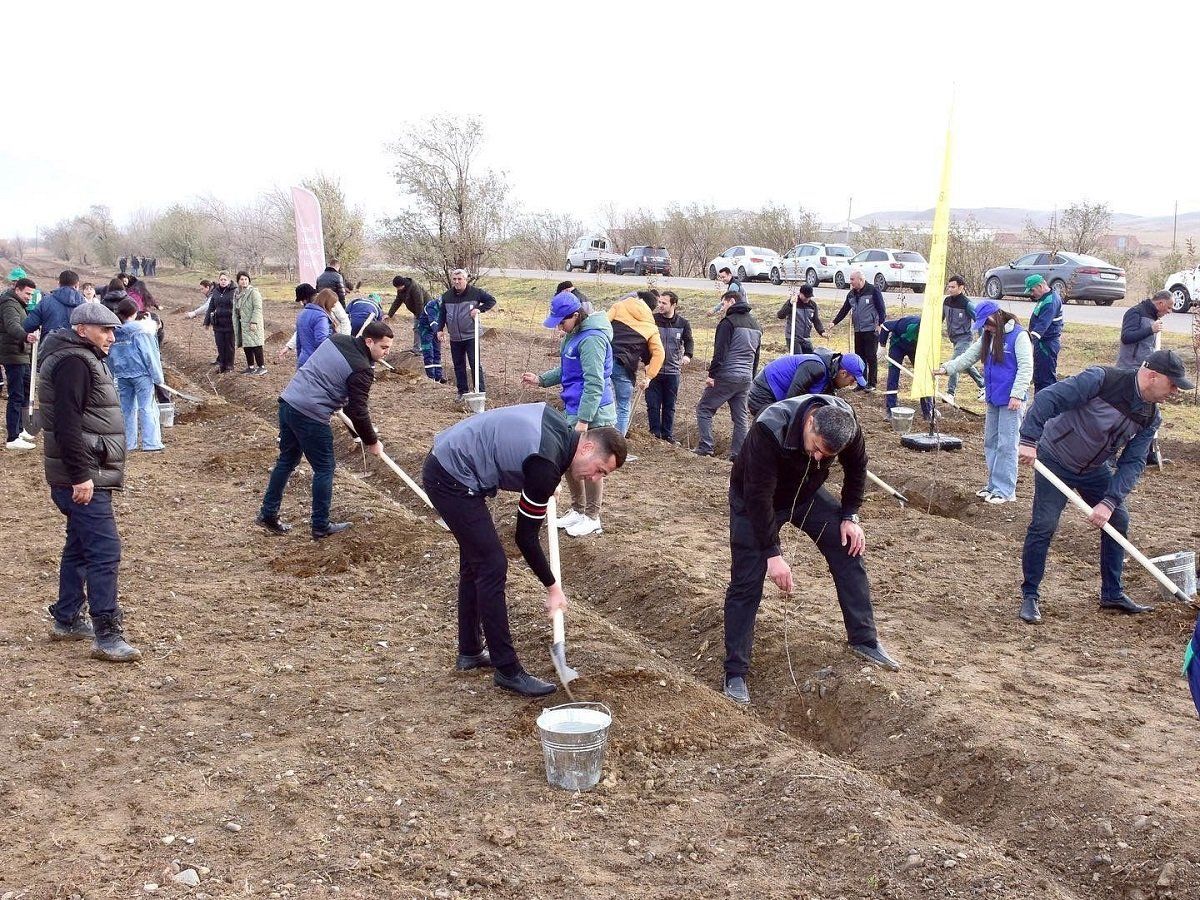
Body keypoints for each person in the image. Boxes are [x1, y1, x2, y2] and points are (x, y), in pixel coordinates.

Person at [421, 403, 627, 697]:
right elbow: (525, 538)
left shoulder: (559, 435)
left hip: (450, 461)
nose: (595, 478)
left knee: (476, 561)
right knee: (492, 565)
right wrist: (553, 587)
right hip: (450, 476)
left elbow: (528, 458)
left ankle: (470, 651)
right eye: (600, 470)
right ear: (587, 447)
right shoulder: (545, 465)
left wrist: (545, 482)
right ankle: (507, 670)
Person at [722, 394, 900, 704]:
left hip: (804, 495)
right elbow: (758, 495)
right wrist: (773, 555)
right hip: (755, 502)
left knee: (848, 547)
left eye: (826, 455)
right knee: (746, 583)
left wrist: (849, 516)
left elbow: (857, 468)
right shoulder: (769, 429)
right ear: (809, 422)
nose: (818, 458)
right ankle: (735, 672)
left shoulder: (847, 425)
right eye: (815, 448)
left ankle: (864, 639)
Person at [1015, 349, 1191, 625]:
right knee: (1044, 524)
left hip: (1094, 469)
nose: (1175, 392)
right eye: (1173, 384)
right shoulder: (1102, 380)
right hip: (1054, 458)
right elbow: (1050, 398)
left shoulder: (1149, 417)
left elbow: (1132, 464)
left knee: (1118, 519)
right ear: (1153, 376)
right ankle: (1030, 595)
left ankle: (1112, 593)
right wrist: (1028, 439)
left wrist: (1109, 502)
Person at [38, 303, 141, 662]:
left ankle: (67, 618)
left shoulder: (78, 357)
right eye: (105, 330)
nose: (112, 337)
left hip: (81, 475)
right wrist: (81, 475)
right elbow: (66, 425)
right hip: (81, 478)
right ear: (83, 329)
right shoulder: (74, 363)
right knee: (104, 551)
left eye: (113, 331)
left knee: (80, 547)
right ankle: (107, 634)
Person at [257, 321, 395, 539]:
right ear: (369, 342)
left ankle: (267, 513)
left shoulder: (337, 339)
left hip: (289, 402)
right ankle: (320, 525)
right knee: (325, 468)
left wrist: (358, 434)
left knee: (287, 460)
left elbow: (339, 390)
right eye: (384, 347)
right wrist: (371, 441)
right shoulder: (362, 369)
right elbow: (357, 411)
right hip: (311, 414)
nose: (387, 353)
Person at [523, 290, 616, 537]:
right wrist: (541, 380)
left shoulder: (592, 339)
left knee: (590, 464)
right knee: (569, 461)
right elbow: (567, 369)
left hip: (593, 413)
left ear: (576, 315)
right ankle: (577, 510)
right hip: (574, 409)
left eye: (562, 322)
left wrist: (584, 420)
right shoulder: (573, 336)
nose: (560, 328)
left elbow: (594, 382)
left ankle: (592, 517)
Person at [936, 300, 1032, 505]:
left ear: (996, 317)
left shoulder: (1019, 336)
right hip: (993, 398)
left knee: (1007, 445)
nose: (985, 328)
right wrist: (946, 368)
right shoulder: (987, 337)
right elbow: (968, 357)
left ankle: (1006, 490)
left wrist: (1017, 394)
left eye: (987, 323)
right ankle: (993, 485)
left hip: (1011, 400)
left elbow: (1026, 368)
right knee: (991, 442)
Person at [696, 291, 762, 459]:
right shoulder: (756, 325)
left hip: (727, 374)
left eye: (723, 304)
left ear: (731, 301)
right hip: (746, 377)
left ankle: (706, 447)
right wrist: (751, 377)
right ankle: (738, 454)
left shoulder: (728, 322)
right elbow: (756, 356)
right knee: (740, 417)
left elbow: (720, 352)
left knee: (704, 408)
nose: (722, 308)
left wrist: (712, 375)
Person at [108, 299, 165, 452]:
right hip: (141, 375)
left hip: (122, 376)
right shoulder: (141, 331)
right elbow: (150, 355)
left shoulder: (114, 333)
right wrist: (158, 377)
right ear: (134, 313)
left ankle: (129, 443)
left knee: (126, 409)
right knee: (147, 407)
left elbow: (110, 356)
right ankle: (151, 443)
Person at [607, 290, 665, 435]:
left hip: (604, 360)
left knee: (603, 402)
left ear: (638, 298)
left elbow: (602, 326)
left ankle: (597, 438)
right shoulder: (651, 327)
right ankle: (617, 445)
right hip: (625, 367)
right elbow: (660, 353)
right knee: (623, 406)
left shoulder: (619, 306)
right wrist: (649, 377)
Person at [747, 350, 868, 417]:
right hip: (764, 392)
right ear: (843, 373)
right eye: (853, 380)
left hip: (777, 395)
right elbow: (792, 400)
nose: (852, 384)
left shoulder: (829, 375)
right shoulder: (816, 367)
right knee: (776, 429)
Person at [439, 269, 496, 400]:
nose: (457, 282)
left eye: (460, 279)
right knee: (458, 365)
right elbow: (442, 313)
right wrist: (440, 329)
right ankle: (462, 392)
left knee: (475, 364)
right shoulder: (447, 296)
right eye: (454, 279)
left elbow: (491, 300)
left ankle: (480, 392)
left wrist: (479, 309)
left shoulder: (476, 293)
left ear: (465, 279)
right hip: (455, 337)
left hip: (471, 335)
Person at [647, 290, 693, 442]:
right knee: (653, 404)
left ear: (674, 304)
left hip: (673, 371)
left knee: (669, 406)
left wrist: (687, 355)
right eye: (659, 302)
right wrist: (647, 362)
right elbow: (644, 341)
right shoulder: (652, 320)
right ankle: (654, 434)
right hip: (654, 371)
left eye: (664, 303)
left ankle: (667, 435)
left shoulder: (683, 323)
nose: (660, 305)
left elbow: (689, 341)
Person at [831, 270, 887, 389]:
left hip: (871, 329)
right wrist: (834, 322)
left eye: (852, 279)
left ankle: (872, 384)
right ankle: (862, 383)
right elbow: (844, 310)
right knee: (860, 357)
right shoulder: (851, 294)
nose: (850, 282)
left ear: (860, 279)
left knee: (871, 357)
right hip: (858, 330)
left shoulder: (873, 291)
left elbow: (881, 309)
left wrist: (880, 324)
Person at [2, 278, 39, 450]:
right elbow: (12, 326)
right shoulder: (9, 304)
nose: (30, 298)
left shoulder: (18, 304)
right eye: (27, 294)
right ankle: (12, 437)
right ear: (17, 290)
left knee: (25, 390)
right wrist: (26, 336)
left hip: (21, 354)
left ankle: (21, 428)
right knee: (16, 394)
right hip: (13, 355)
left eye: (32, 295)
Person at [878, 314, 933, 420]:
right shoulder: (906, 325)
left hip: (915, 349)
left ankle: (928, 411)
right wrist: (882, 345)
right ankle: (891, 409)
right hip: (897, 345)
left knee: (923, 376)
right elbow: (885, 326)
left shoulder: (930, 335)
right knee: (893, 375)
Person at [942, 275, 983, 397]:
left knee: (954, 362)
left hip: (965, 338)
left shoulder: (967, 304)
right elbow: (940, 317)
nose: (950, 289)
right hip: (953, 338)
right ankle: (983, 385)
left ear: (961, 287)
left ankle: (950, 393)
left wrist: (982, 338)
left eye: (953, 287)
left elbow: (980, 320)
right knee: (965, 363)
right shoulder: (946, 301)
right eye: (948, 287)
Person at [1026, 274, 1063, 392]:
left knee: (1046, 380)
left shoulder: (1050, 302)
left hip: (1046, 345)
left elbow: (1041, 327)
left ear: (1040, 286)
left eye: (1032, 290)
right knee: (1038, 377)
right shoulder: (1044, 298)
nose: (1032, 294)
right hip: (1041, 344)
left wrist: (1027, 343)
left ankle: (1047, 408)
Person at [1117, 290, 1172, 368]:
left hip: (1145, 368)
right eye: (1169, 308)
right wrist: (1150, 330)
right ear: (1161, 303)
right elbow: (1126, 337)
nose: (1170, 311)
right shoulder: (1135, 312)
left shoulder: (1155, 318)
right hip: (1128, 369)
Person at [23, 270, 84, 336]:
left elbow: (28, 326)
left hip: (50, 344)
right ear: (77, 285)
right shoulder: (84, 304)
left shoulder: (45, 301)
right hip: (76, 345)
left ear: (59, 284)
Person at [294, 288, 338, 368]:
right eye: (333, 304)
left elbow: (299, 341)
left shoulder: (302, 314)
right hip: (316, 362)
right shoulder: (321, 317)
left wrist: (299, 360)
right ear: (327, 303)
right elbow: (321, 341)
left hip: (303, 359)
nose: (333, 306)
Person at [776, 285, 826, 354]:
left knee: (810, 358)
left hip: (806, 338)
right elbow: (780, 315)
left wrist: (822, 332)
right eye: (806, 297)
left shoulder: (812, 305)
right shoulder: (793, 302)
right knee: (798, 358)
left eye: (809, 297)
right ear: (800, 293)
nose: (807, 299)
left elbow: (816, 320)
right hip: (793, 337)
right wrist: (790, 304)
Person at [233, 271, 267, 375]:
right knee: (247, 345)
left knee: (256, 344)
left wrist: (254, 322)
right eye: (241, 279)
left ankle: (261, 367)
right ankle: (251, 367)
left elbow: (257, 308)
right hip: (242, 323)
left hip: (252, 323)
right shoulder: (237, 294)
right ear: (238, 281)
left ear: (249, 280)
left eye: (246, 279)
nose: (244, 281)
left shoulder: (253, 292)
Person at [203, 272, 237, 373]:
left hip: (230, 323)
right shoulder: (216, 292)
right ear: (219, 280)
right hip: (218, 323)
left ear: (229, 281)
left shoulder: (235, 291)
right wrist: (207, 322)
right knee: (220, 345)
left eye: (225, 279)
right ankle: (222, 365)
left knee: (229, 345)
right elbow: (211, 307)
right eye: (221, 279)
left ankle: (229, 366)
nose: (223, 281)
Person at [388, 275, 431, 353]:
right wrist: (389, 314)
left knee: (421, 328)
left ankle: (423, 348)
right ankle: (417, 348)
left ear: (403, 284)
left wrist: (419, 317)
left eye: (398, 287)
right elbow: (397, 301)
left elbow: (419, 303)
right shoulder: (401, 290)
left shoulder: (414, 287)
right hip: (417, 310)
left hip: (426, 308)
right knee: (417, 328)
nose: (397, 289)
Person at [416, 290, 444, 382]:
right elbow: (433, 322)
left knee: (437, 352)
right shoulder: (431, 306)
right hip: (425, 330)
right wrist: (439, 332)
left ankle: (438, 377)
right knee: (428, 352)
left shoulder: (446, 307)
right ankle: (431, 377)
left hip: (436, 330)